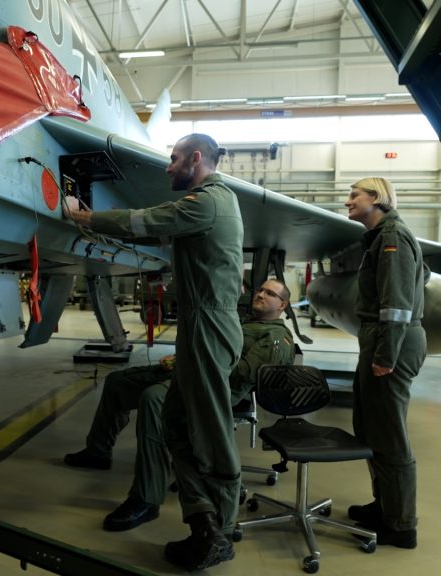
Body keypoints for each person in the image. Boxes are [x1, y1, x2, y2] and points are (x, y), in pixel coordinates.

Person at [64, 133, 243, 570]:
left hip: (209, 325)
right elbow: (158, 234)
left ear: (196, 159)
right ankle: (204, 522)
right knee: (176, 424)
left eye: (174, 158)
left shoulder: (209, 200)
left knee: (210, 428)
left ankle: (222, 524)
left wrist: (85, 217)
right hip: (201, 323)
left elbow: (146, 222)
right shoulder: (212, 203)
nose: (168, 166)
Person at [64, 279, 296, 534]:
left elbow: (243, 374)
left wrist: (192, 360)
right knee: (118, 381)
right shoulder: (244, 322)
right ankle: (98, 451)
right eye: (260, 290)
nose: (261, 294)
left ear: (282, 304)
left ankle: (147, 499)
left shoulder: (275, 337)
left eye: (270, 293)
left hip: (212, 391)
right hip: (190, 373)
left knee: (154, 399)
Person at [342, 177, 426, 549]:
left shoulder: (392, 237)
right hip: (381, 337)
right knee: (373, 428)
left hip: (391, 339)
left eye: (354, 195)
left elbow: (397, 302)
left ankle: (402, 524)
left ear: (376, 198)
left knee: (390, 434)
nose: (348, 201)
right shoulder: (379, 238)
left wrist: (385, 354)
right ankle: (385, 506)